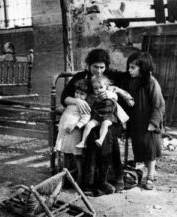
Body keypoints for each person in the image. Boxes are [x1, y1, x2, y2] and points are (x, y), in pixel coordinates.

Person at [60, 48, 134, 194]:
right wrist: (77, 101)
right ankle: (94, 181)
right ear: (88, 65)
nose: (99, 71)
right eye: (95, 67)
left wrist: (113, 93)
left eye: (102, 67)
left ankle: (111, 178)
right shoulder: (81, 77)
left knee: (106, 135)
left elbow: (124, 98)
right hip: (88, 118)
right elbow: (64, 98)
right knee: (95, 134)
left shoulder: (111, 77)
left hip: (110, 118)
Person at [114, 51, 165, 190]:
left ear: (142, 68)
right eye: (129, 67)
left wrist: (153, 123)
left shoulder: (151, 82)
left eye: (133, 68)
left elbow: (158, 104)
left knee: (150, 150)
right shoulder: (132, 81)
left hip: (148, 122)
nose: (129, 70)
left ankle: (151, 175)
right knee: (141, 149)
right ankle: (149, 172)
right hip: (137, 121)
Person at [76, 75, 128, 149]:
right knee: (89, 125)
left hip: (109, 117)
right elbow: (88, 105)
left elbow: (117, 98)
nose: (99, 90)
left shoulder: (109, 93)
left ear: (106, 87)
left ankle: (101, 139)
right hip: (97, 116)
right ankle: (83, 142)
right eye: (96, 88)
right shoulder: (92, 97)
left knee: (105, 124)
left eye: (101, 87)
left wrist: (113, 95)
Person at [55, 79, 91, 186]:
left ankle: (80, 176)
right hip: (65, 133)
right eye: (77, 93)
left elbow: (86, 118)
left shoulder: (84, 104)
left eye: (82, 94)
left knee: (76, 155)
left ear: (87, 95)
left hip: (73, 133)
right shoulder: (73, 102)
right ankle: (65, 175)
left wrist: (75, 126)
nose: (78, 96)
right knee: (65, 153)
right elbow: (68, 111)